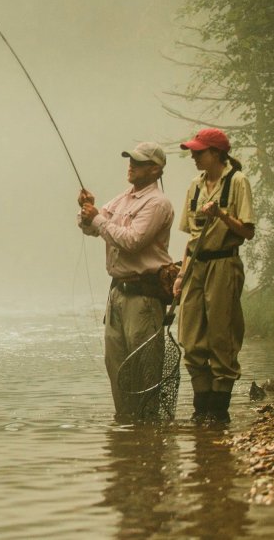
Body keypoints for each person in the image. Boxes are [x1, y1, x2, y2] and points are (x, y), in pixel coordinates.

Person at [78, 142, 174, 421]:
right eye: (130, 160)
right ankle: (127, 432)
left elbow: (132, 241)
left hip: (144, 296)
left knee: (144, 367)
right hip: (118, 293)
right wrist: (87, 211)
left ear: (155, 169)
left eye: (139, 162)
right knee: (117, 366)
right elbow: (91, 228)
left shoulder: (158, 203)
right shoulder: (122, 200)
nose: (130, 165)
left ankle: (147, 433)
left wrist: (96, 219)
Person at [172, 128, 255, 424]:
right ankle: (201, 411)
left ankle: (218, 413)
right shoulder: (194, 186)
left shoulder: (237, 182)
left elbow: (247, 232)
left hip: (224, 264)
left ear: (217, 153)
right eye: (193, 151)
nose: (193, 156)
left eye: (199, 152)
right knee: (191, 340)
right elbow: (191, 238)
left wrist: (220, 215)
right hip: (195, 266)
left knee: (222, 337)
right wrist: (181, 276)